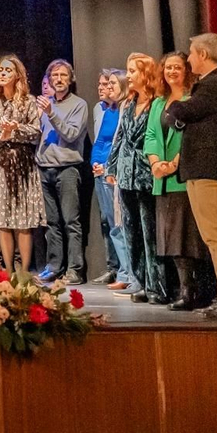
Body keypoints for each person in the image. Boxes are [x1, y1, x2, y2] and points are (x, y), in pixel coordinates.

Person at [169, 33, 217, 320]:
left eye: (191, 54)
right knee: (212, 236)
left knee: (216, 235)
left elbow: (182, 111)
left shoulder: (216, 85)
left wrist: (176, 100)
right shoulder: (210, 86)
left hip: (209, 170)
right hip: (201, 171)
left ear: (203, 54)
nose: (188, 59)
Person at [147, 50, 207, 311]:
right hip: (161, 180)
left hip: (183, 178)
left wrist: (173, 165)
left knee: (188, 238)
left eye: (177, 68)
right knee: (171, 237)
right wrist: (155, 163)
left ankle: (193, 291)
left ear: (186, 71)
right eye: (168, 68)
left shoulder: (193, 99)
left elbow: (195, 137)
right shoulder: (159, 102)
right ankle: (184, 289)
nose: (171, 72)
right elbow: (150, 134)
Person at [0, 55, 44, 273]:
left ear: (17, 74)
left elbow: (36, 131)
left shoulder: (29, 101)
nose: (3, 74)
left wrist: (16, 128)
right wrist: (2, 136)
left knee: (23, 222)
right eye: (0, 71)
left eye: (8, 70)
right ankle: (7, 271)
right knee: (2, 220)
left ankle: (24, 272)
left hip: (22, 163)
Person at [115, 54, 166, 304]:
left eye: (133, 71)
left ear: (145, 74)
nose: (128, 76)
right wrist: (113, 168)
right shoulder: (128, 103)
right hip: (126, 173)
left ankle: (157, 284)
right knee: (131, 231)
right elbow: (121, 138)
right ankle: (142, 281)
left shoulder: (157, 103)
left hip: (146, 175)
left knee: (149, 233)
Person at [36, 59, 90, 283]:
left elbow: (71, 135)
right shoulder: (44, 104)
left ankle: (75, 269)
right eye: (54, 76)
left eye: (63, 75)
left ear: (71, 79)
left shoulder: (79, 104)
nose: (58, 79)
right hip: (44, 168)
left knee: (71, 221)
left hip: (67, 169)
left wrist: (51, 113)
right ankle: (54, 265)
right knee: (52, 222)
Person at [89, 69, 134, 291]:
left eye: (112, 84)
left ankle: (129, 274)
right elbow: (101, 142)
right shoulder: (109, 110)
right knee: (112, 224)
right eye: (106, 84)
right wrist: (95, 164)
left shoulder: (126, 110)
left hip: (115, 172)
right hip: (102, 172)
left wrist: (108, 166)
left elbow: (119, 144)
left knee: (121, 224)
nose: (106, 88)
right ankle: (123, 271)